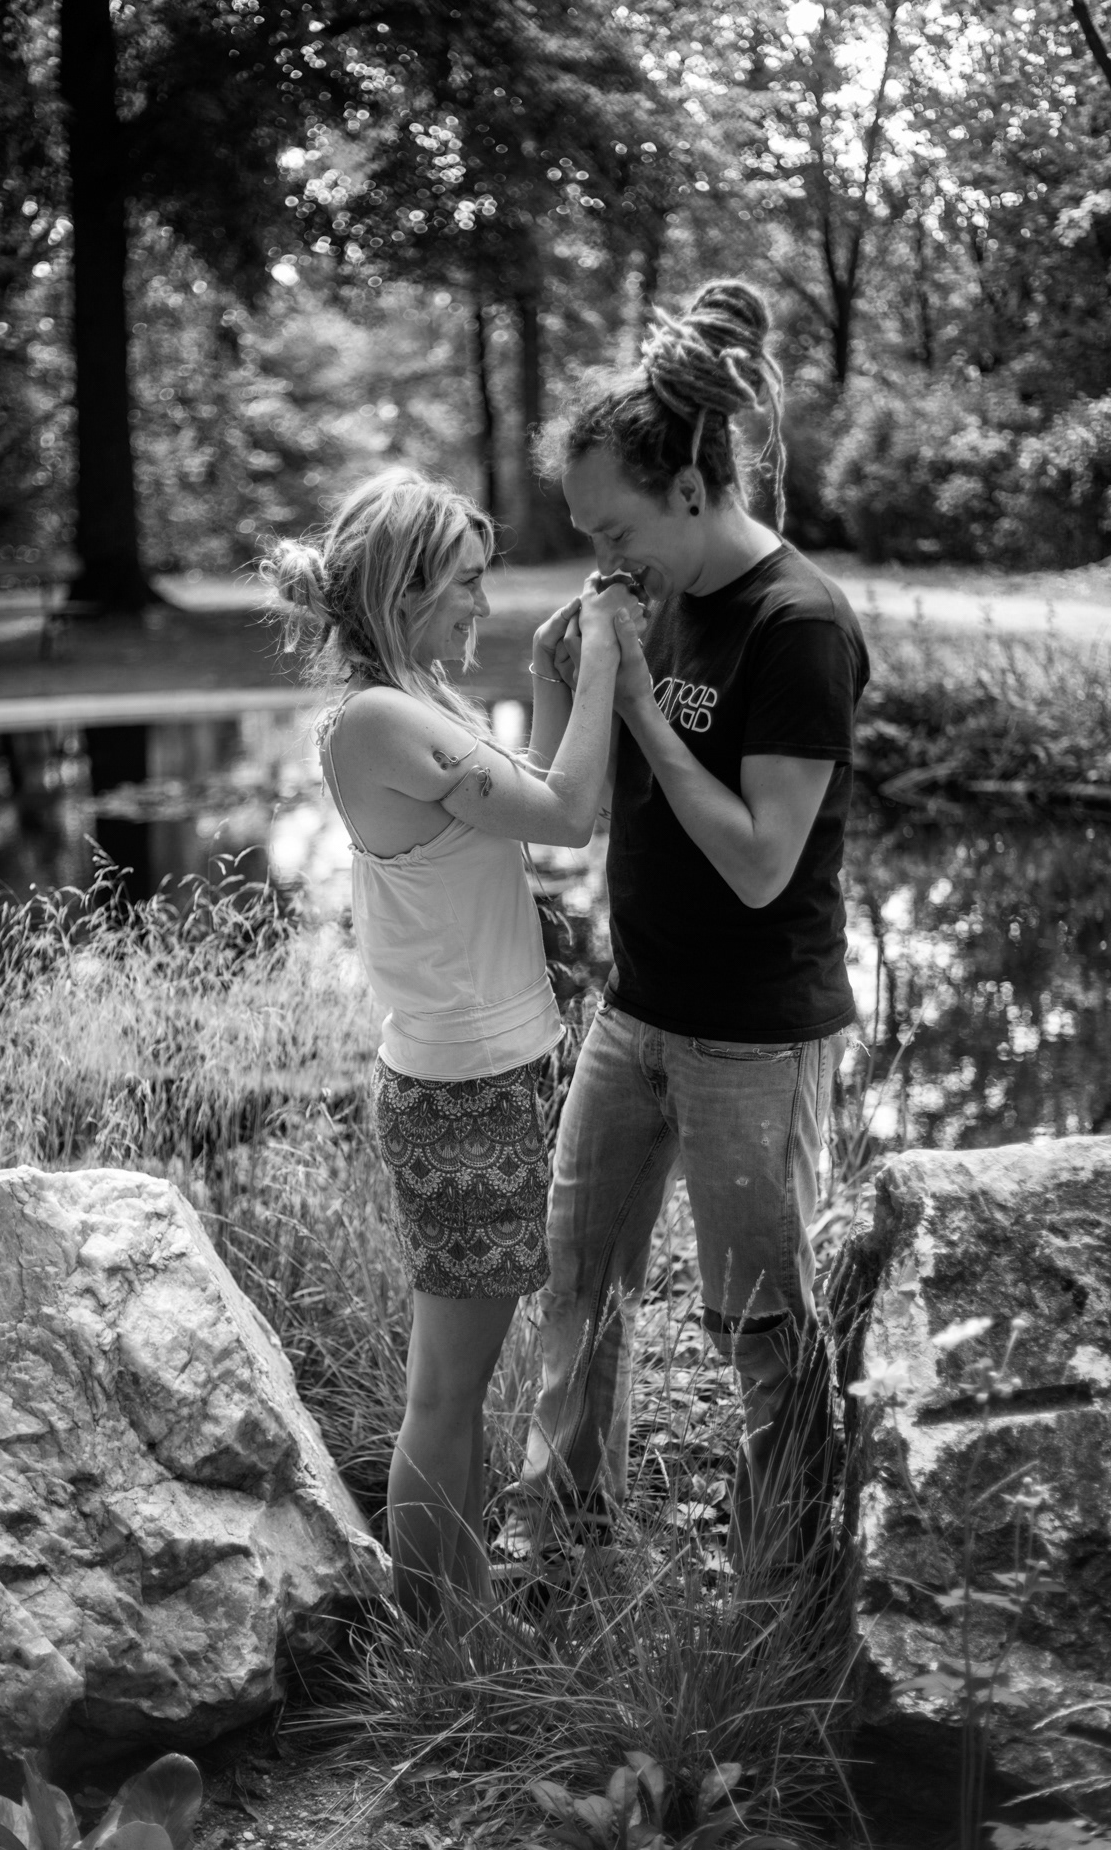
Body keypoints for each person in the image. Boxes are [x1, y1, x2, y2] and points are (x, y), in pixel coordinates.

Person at [516, 280, 871, 1594]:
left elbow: (762, 861)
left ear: (688, 488)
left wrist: (643, 713)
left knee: (760, 1330)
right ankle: (564, 1552)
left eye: (614, 527)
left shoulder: (797, 624)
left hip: (755, 1038)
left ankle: (779, 1584)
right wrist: (561, 672)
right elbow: (568, 818)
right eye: (587, 535)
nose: (605, 555)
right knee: (577, 1286)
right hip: (637, 1012)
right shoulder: (647, 598)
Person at [264, 469, 642, 1624]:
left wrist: (547, 679)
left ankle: (455, 1610)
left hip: (489, 1072)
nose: (483, 600)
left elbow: (539, 805)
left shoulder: (414, 696)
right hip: (463, 1089)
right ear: (407, 588)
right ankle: (444, 1628)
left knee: (458, 1382)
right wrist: (607, 658)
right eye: (467, 581)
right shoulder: (380, 721)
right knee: (446, 1391)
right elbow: (571, 813)